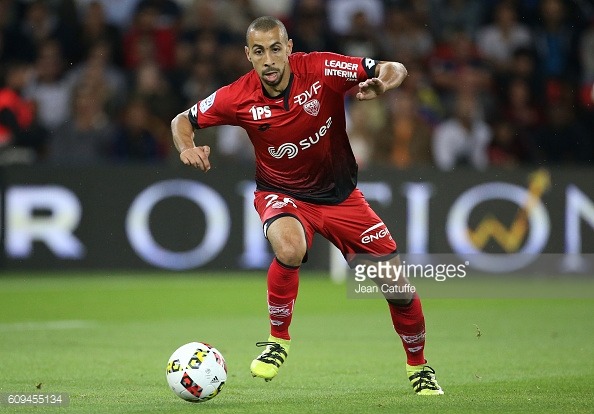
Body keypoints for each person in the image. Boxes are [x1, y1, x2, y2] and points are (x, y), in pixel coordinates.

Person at [170, 16, 443, 395]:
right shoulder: (237, 96)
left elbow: (393, 67)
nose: (269, 59)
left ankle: (419, 366)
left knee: (396, 286)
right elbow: (182, 119)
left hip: (341, 197)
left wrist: (384, 83)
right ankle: (277, 340)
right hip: (281, 192)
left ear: (289, 48)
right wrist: (187, 147)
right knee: (290, 246)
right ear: (248, 55)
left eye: (276, 48)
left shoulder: (321, 68)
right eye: (259, 51)